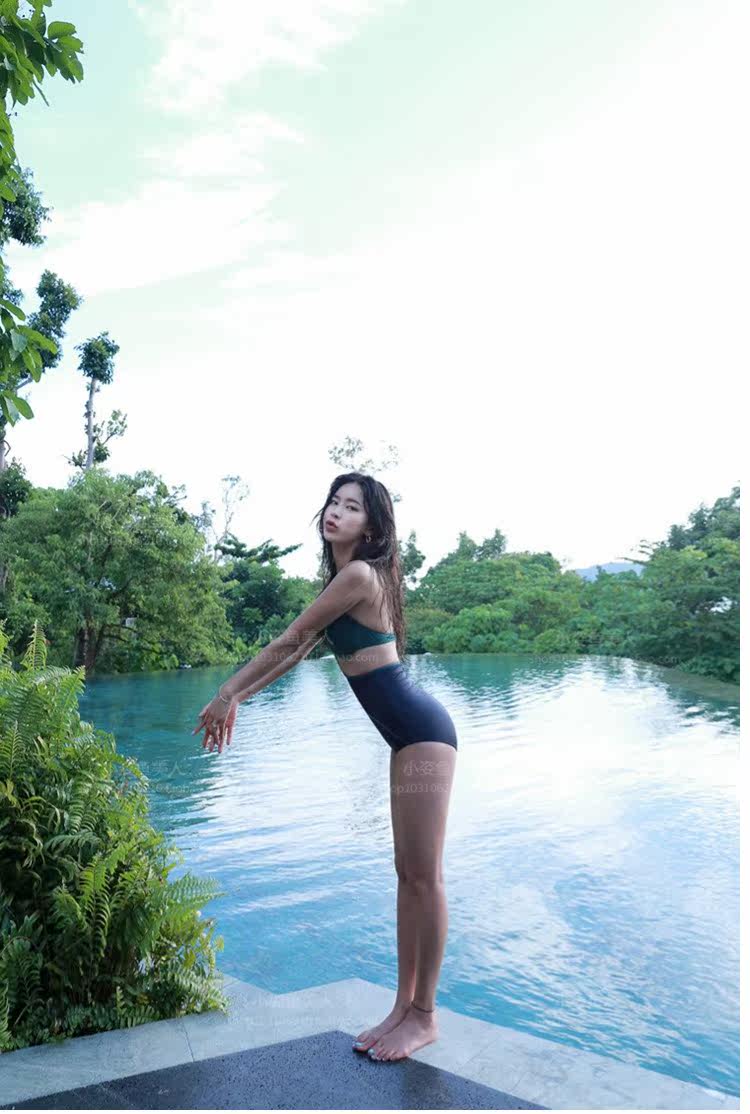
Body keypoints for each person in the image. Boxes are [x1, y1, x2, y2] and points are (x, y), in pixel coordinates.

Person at [192, 472, 458, 1063]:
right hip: (406, 739)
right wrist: (239, 699)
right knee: (407, 874)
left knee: (425, 876)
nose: (336, 512)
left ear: (372, 526)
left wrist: (226, 690)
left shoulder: (360, 576)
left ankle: (425, 1015)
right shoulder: (344, 580)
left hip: (424, 734)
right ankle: (403, 1008)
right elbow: (297, 653)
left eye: (352, 507)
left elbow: (292, 638)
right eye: (333, 502)